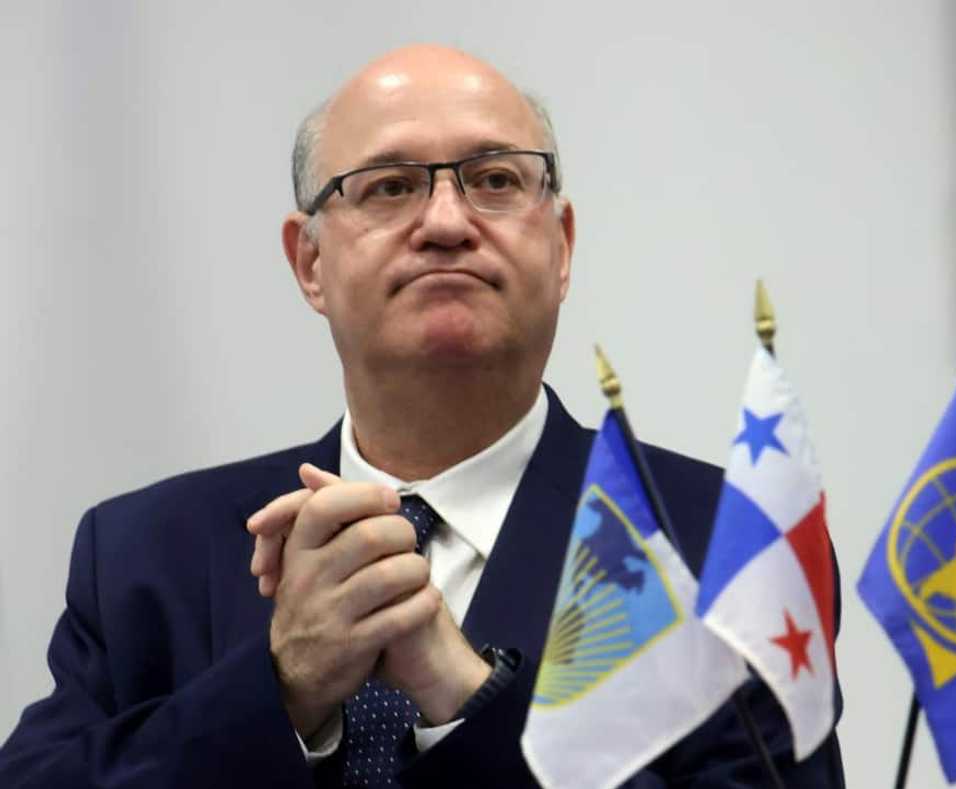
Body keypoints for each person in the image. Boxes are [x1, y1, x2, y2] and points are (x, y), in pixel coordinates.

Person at [0, 45, 845, 787]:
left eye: (495, 179)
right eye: (391, 186)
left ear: (563, 248)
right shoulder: (148, 556)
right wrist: (280, 686)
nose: (445, 222)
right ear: (311, 262)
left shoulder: (727, 545)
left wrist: (467, 694)